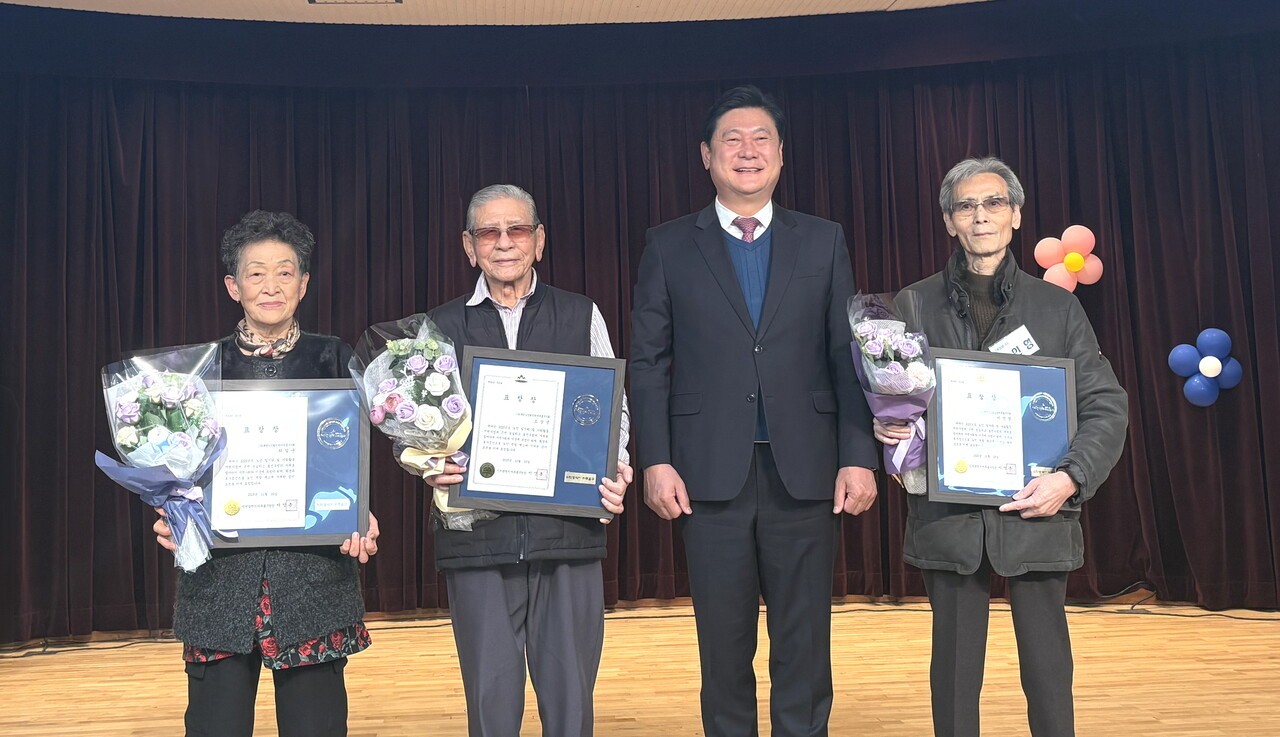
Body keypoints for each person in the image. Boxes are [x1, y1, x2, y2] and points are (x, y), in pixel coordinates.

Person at [629, 85, 879, 737]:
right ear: (706, 156)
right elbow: (650, 362)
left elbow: (845, 356)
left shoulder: (822, 242)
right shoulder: (668, 245)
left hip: (807, 472)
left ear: (781, 156)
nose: (748, 150)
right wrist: (654, 459)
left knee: (804, 646)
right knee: (723, 647)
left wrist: (858, 454)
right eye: (732, 140)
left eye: (761, 138)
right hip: (708, 474)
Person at [877, 157, 1128, 737]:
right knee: (955, 675)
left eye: (993, 203)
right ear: (948, 221)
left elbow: (1106, 406)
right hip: (949, 517)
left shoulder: (1056, 307)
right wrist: (887, 428)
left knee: (1047, 671)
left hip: (1038, 512)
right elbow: (892, 403)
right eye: (966, 206)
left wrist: (1069, 478)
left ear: (1014, 215)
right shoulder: (911, 305)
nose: (980, 216)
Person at [414, 184, 633, 737]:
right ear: (469, 247)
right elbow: (413, 426)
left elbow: (614, 410)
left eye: (517, 230)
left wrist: (617, 465)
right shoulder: (438, 326)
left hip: (568, 534)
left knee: (571, 707)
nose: (504, 243)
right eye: (489, 232)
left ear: (539, 241)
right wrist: (425, 463)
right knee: (490, 708)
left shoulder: (581, 313)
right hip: (476, 541)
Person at [153, 209, 379, 737]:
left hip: (312, 581)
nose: (271, 286)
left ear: (303, 283)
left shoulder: (335, 358)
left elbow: (349, 461)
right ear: (233, 286)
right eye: (256, 273)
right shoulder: (198, 372)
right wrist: (173, 511)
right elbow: (177, 473)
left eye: (285, 271)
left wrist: (359, 510)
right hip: (218, 584)